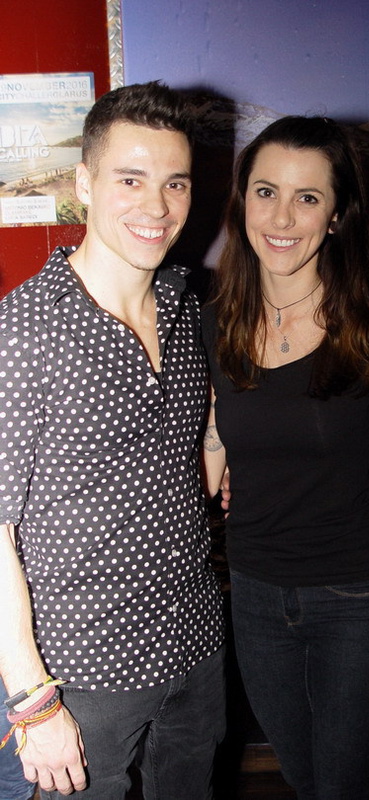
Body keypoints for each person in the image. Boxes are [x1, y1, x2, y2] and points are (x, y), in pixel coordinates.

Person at [0, 81, 225, 800]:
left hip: (194, 642)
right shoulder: (26, 331)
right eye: (130, 179)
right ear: (84, 184)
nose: (156, 207)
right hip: (83, 673)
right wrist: (32, 700)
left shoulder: (185, 306)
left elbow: (190, 442)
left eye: (174, 183)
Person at [202, 115, 369, 800]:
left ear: (336, 215)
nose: (281, 217)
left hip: (354, 595)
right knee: (301, 774)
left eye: (307, 197)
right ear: (242, 202)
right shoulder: (215, 321)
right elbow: (210, 452)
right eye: (266, 192)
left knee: (343, 785)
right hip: (254, 591)